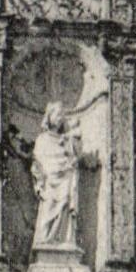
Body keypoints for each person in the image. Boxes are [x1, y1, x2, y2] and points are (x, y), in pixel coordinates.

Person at [31, 101, 82, 249]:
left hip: (65, 179)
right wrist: (39, 184)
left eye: (62, 115)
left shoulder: (66, 140)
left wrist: (72, 162)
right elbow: (37, 164)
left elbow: (75, 157)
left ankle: (65, 241)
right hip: (49, 181)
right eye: (57, 114)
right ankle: (46, 241)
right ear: (49, 116)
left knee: (65, 204)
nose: (61, 118)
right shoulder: (42, 139)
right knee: (48, 209)